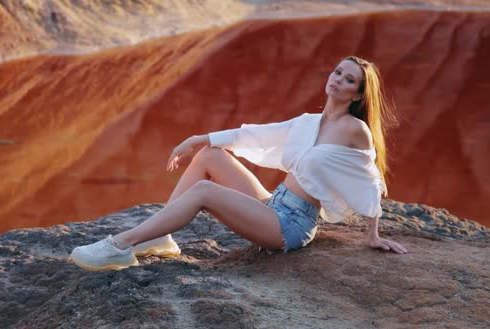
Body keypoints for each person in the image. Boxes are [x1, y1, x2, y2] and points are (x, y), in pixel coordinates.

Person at [70, 55, 408, 272]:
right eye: (337, 72)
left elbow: (370, 179)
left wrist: (373, 235)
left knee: (204, 191)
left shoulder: (354, 129)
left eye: (349, 79)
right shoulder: (309, 121)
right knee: (210, 156)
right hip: (274, 203)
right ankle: (159, 237)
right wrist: (201, 139)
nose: (338, 79)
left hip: (290, 227)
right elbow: (259, 134)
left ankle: (121, 245)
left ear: (359, 94)